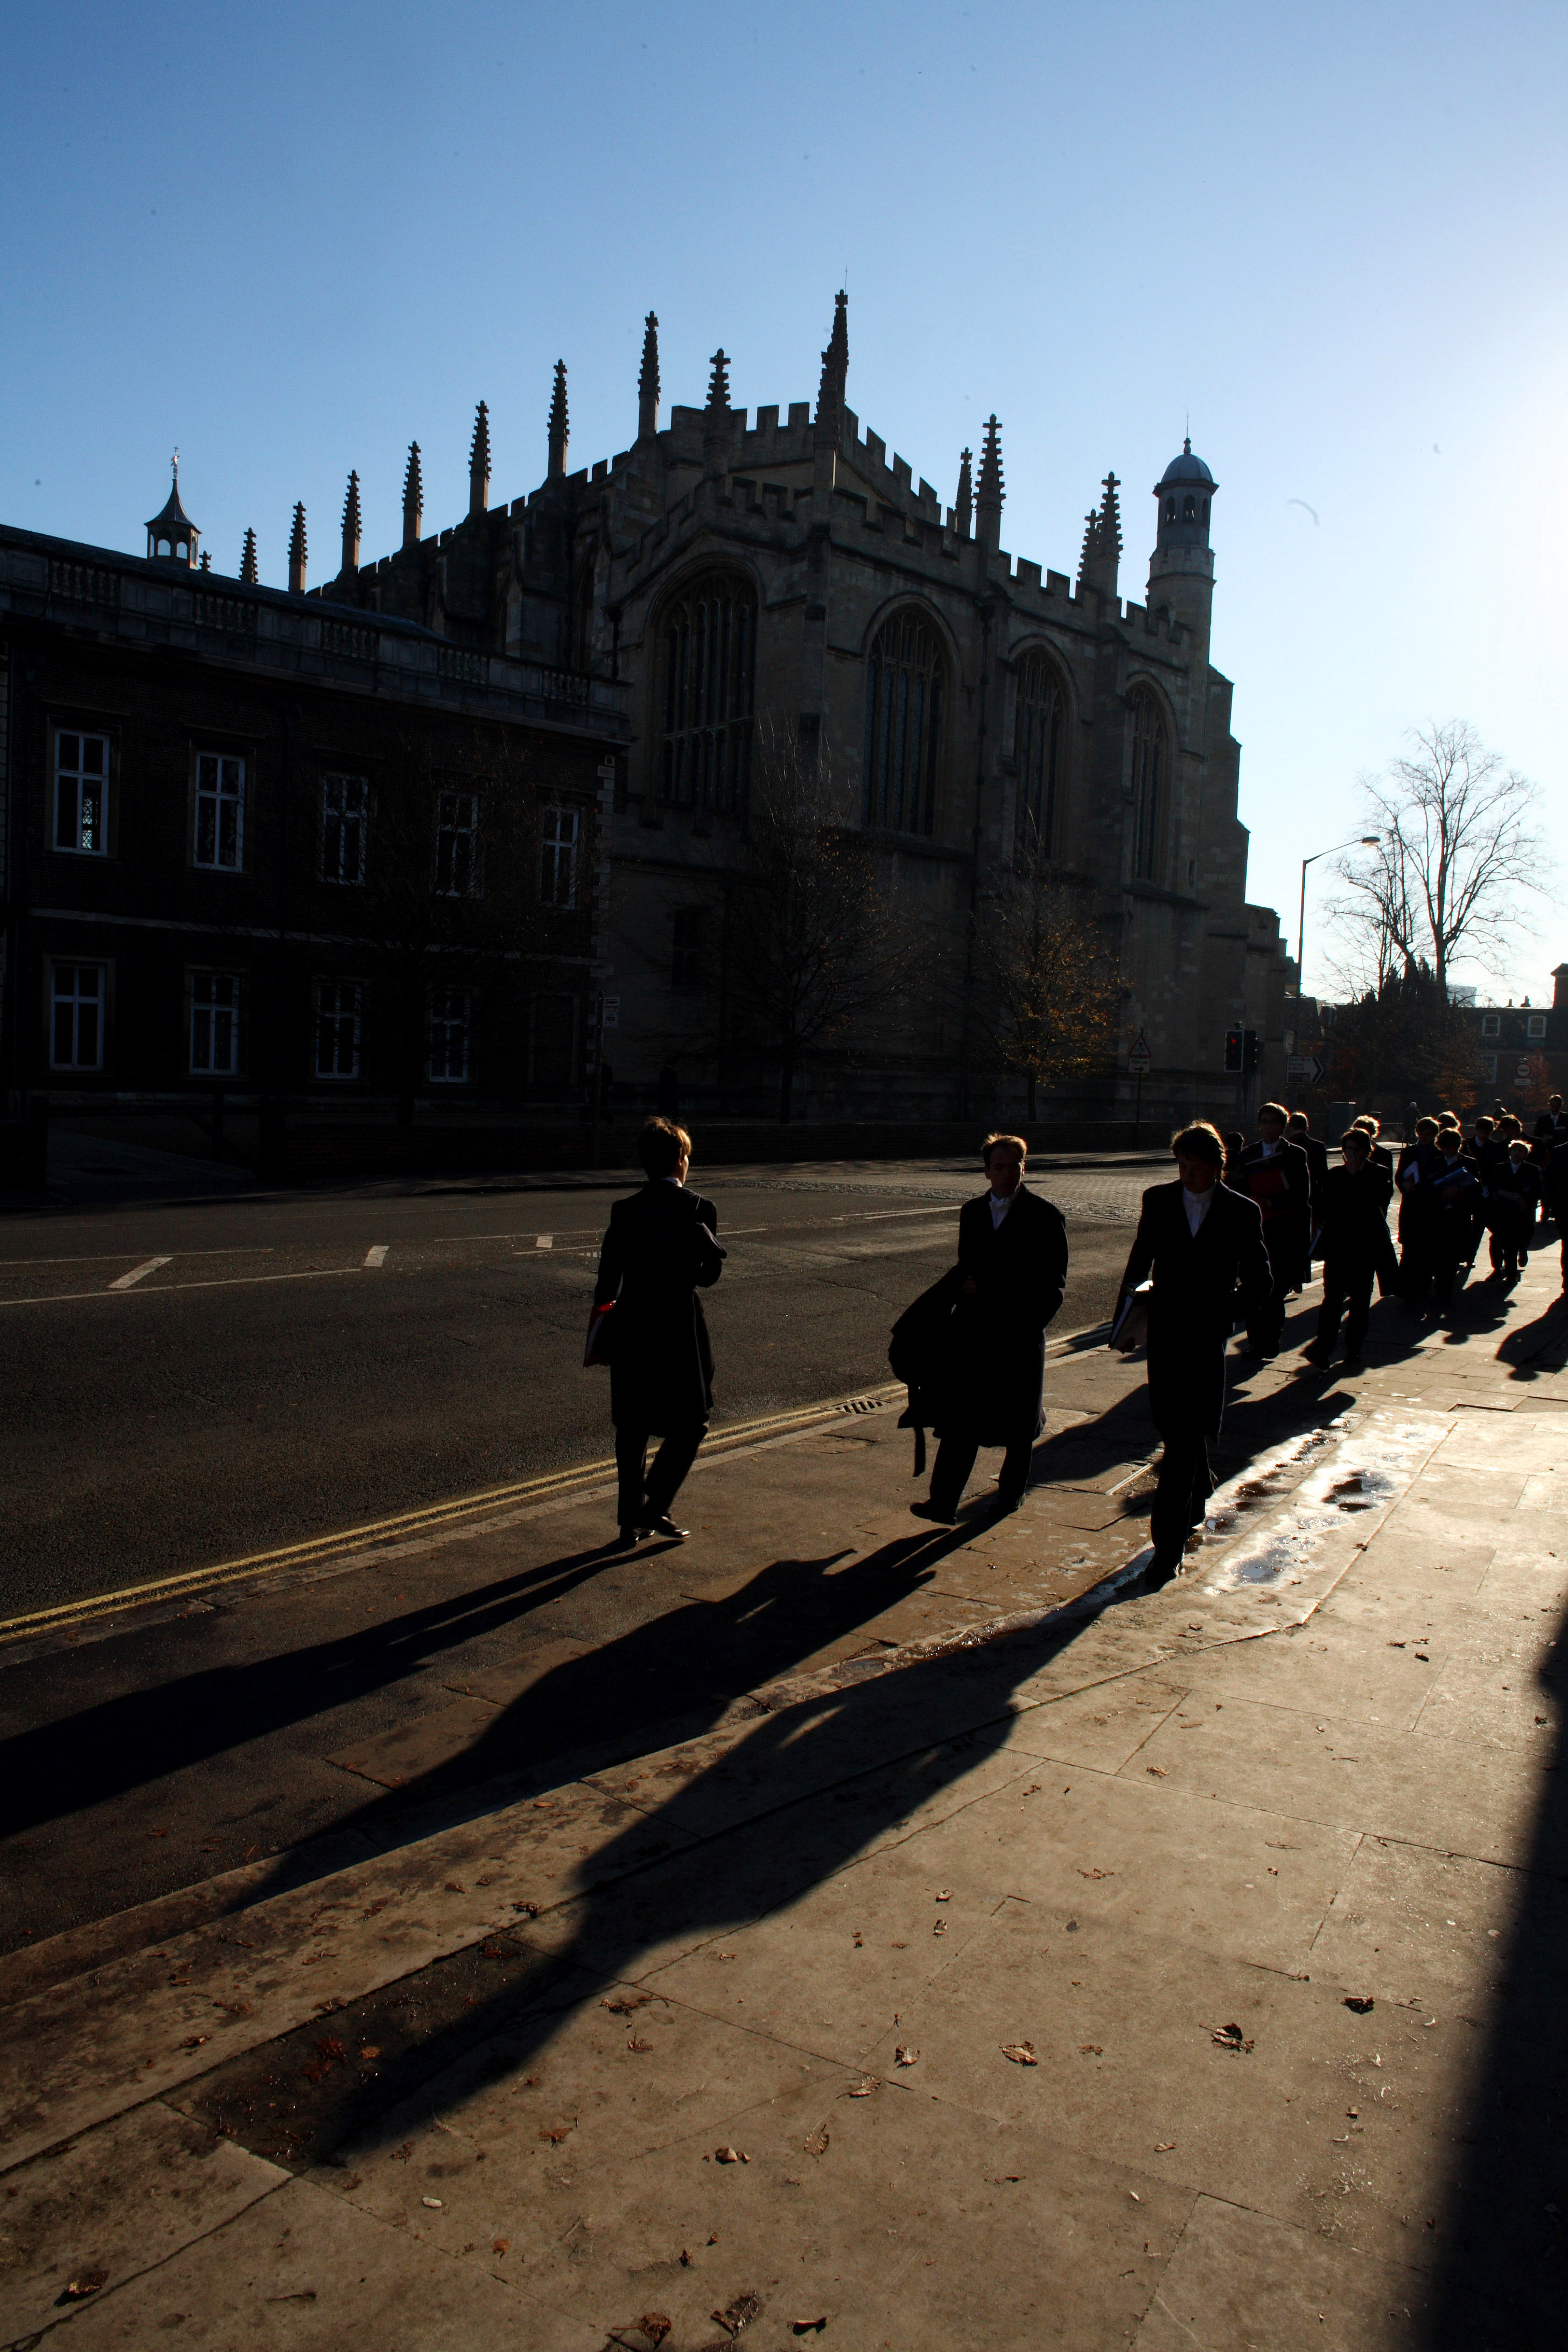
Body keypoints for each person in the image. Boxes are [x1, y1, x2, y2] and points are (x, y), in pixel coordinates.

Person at [1116, 1122, 1271, 1587]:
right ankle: (1200, 1484)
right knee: (1176, 1429)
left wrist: (1227, 1314)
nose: (1188, 1176)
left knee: (1181, 1445)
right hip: (1165, 1335)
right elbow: (1139, 1262)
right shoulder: (1159, 1200)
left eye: (1198, 1169)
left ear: (1217, 1168)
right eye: (1182, 1167)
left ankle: (1166, 1550)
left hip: (1205, 1339)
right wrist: (1124, 1322)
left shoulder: (1240, 1212)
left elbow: (1260, 1281)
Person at [908, 1133, 1068, 1523]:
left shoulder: (1046, 1216)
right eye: (1000, 1166)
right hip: (975, 1334)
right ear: (987, 1171)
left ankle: (1010, 1497)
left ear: (1024, 1168)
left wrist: (1022, 1318)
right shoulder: (972, 1211)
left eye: (1015, 1166)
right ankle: (943, 1502)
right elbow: (969, 1269)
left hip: (1019, 1333)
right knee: (961, 1420)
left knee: (1018, 1426)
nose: (1007, 1173)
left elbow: (1052, 1283)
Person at [592, 1117, 724, 1547]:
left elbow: (607, 1280)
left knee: (632, 1425)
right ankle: (655, 1502)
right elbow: (706, 1277)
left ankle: (631, 1518)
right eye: (687, 1156)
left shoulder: (624, 1209)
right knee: (694, 1418)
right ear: (680, 1160)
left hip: (631, 1321)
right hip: (677, 1325)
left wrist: (600, 1334)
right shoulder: (699, 1207)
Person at [1303, 1128, 1387, 1368]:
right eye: (1347, 1149)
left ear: (1367, 1150)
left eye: (1356, 1149)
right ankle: (1323, 1348)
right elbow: (1326, 1206)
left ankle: (1353, 1348)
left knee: (1360, 1303)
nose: (1351, 1154)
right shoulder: (1335, 1175)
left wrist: (1355, 1176)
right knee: (1332, 1301)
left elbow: (1374, 1205)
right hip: (1338, 1248)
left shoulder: (1378, 1174)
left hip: (1364, 1249)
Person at [1234, 1102, 1313, 1356]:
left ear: (1282, 1126)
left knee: (1276, 1288)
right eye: (1264, 1122)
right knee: (1253, 1286)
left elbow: (1302, 1194)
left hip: (1283, 1230)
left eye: (1274, 1122)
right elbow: (1238, 1188)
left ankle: (1272, 1339)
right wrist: (1253, 1199)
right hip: (1255, 1229)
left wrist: (1273, 1201)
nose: (1268, 1127)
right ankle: (1255, 1340)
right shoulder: (1247, 1154)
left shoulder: (1295, 1154)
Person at [1486, 1138, 1543, 1286]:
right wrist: (1495, 1195)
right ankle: (1497, 1269)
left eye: (1521, 1151)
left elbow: (1538, 1190)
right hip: (1502, 1211)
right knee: (1496, 1242)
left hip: (1520, 1213)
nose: (1517, 1153)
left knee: (1512, 1244)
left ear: (1526, 1155)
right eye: (1515, 1150)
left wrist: (1526, 1199)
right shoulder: (1500, 1168)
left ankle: (1511, 1274)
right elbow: (1492, 1185)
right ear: (1510, 1152)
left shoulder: (1531, 1169)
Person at [1286, 1112, 1329, 1264]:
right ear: (1307, 1127)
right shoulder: (1318, 1146)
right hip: (1314, 1196)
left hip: (1290, 1196)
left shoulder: (1286, 1144)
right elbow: (1324, 1177)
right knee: (1309, 1234)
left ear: (1290, 1126)